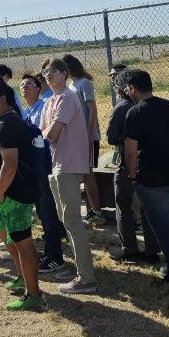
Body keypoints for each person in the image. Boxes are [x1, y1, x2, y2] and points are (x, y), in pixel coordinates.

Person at [0, 78, 44, 311]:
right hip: (7, 194)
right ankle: (22, 278)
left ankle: (34, 294)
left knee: (23, 243)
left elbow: (10, 165)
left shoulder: (7, 126)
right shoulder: (3, 123)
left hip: (14, 195)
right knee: (7, 235)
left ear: (3, 99)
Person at [121, 68, 169, 288]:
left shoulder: (135, 112)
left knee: (163, 228)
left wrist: (132, 176)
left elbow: (130, 150)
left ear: (132, 89)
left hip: (151, 178)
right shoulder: (168, 106)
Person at [39, 57, 97, 294]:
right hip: (56, 164)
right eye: (45, 71)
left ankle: (86, 278)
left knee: (72, 220)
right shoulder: (49, 101)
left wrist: (47, 132)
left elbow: (50, 134)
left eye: (52, 70)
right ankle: (81, 272)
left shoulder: (67, 98)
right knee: (67, 220)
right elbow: (42, 132)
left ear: (64, 73)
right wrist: (47, 132)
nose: (47, 74)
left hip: (68, 165)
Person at [108, 64, 159, 264]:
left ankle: (130, 249)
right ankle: (152, 249)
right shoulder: (151, 105)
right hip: (147, 160)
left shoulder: (121, 108)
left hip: (125, 161)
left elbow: (111, 137)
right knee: (147, 206)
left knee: (123, 204)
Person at [21, 73, 66, 274]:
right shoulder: (26, 111)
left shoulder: (43, 107)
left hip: (43, 166)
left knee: (48, 211)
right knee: (42, 211)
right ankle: (50, 249)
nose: (24, 88)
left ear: (38, 89)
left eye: (29, 85)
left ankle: (55, 256)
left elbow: (42, 137)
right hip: (32, 167)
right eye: (22, 85)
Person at [64, 53, 105, 224]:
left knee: (89, 175)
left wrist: (89, 135)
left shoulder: (84, 83)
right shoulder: (72, 85)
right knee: (84, 175)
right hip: (77, 138)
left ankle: (97, 212)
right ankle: (90, 210)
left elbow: (92, 109)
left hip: (88, 137)